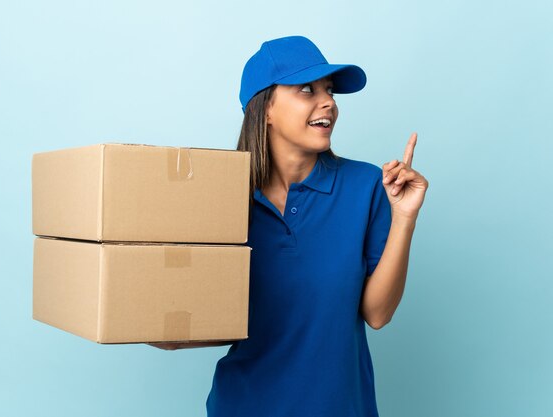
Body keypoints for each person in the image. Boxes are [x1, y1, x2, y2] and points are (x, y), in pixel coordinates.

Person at [153, 35, 429, 416]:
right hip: (245, 405)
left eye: (329, 90)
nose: (328, 102)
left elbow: (377, 314)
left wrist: (405, 217)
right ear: (264, 108)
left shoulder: (366, 186)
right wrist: (162, 327)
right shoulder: (219, 201)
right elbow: (212, 318)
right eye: (306, 89)